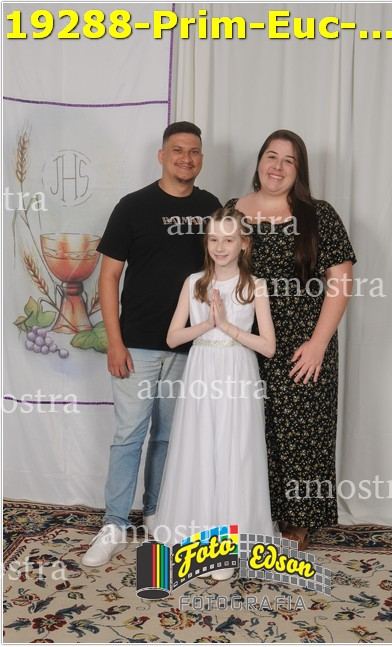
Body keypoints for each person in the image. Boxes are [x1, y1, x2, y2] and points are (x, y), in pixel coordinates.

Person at [81, 122, 221, 567]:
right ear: (161, 155)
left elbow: (222, 269)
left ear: (201, 159)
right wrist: (114, 342)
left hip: (190, 346)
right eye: (177, 150)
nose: (186, 158)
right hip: (137, 344)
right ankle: (114, 523)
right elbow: (108, 277)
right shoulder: (133, 206)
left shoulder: (211, 207)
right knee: (129, 435)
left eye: (194, 151)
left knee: (168, 436)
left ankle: (158, 512)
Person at [226, 130, 356, 550]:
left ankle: (297, 522)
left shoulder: (318, 215)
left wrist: (319, 343)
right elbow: (218, 273)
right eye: (271, 156)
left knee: (302, 433)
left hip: (304, 342)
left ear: (299, 171)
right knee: (252, 428)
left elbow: (341, 281)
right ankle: (253, 511)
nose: (277, 167)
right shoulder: (232, 211)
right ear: (259, 161)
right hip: (247, 340)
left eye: (289, 160)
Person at [154, 207, 276, 580]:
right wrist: (207, 323)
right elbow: (172, 337)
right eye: (213, 240)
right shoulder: (194, 283)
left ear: (244, 244)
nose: (220, 247)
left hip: (238, 372)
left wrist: (226, 326)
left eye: (228, 240)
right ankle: (199, 537)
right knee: (201, 446)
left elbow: (268, 347)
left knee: (234, 449)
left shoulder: (254, 286)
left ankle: (229, 543)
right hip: (202, 371)